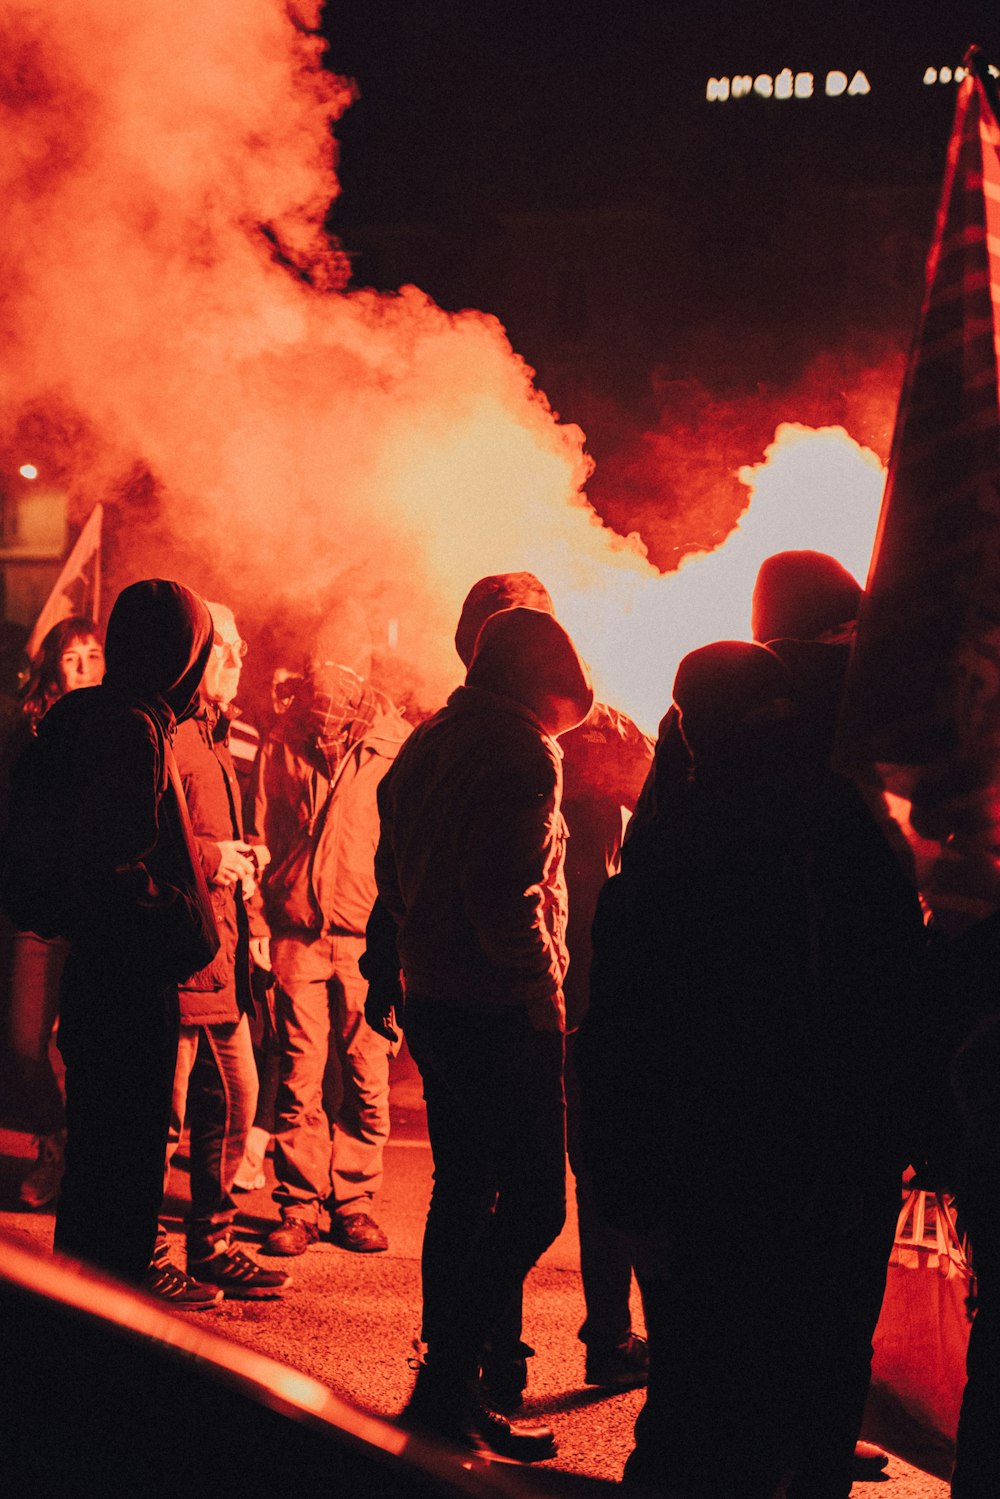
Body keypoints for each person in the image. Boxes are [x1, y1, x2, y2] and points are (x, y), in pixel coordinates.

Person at [577, 639, 926, 1498]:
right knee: (811, 1392)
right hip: (822, 1178)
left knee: (696, 1407)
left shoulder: (665, 854)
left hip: (705, 1183)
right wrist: (883, 1154)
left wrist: (626, 1198)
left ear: (692, 730)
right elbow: (894, 1004)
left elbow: (619, 1039)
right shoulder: (847, 832)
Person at [369, 604, 594, 1461]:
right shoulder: (519, 749)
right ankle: (444, 1383)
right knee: (536, 1200)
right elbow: (505, 891)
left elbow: (395, 872)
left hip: (436, 995)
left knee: (462, 1188)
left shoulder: (432, 737)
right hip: (498, 1005)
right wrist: (543, 993)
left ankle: (449, 1388)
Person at [448, 574, 654, 1407]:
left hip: (576, 980)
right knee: (528, 1179)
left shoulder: (594, 731)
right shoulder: (494, 737)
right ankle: (504, 1355)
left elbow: (660, 812)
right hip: (530, 985)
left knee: (576, 1167)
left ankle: (571, 1344)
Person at [1, 580, 220, 1286]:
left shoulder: (94, 712)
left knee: (101, 1174)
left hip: (102, 979)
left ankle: (84, 1351)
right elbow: (114, 871)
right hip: (126, 985)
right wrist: (185, 921)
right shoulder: (129, 727)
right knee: (119, 1183)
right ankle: (101, 1373)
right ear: (178, 652)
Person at [148, 602, 289, 1306]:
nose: (239, 661)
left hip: (223, 955)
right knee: (163, 1114)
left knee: (233, 1098)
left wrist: (250, 902)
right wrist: (213, 859)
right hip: (180, 954)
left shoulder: (213, 734)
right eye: (226, 648)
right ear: (194, 653)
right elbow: (150, 838)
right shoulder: (166, 733)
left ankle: (211, 1241)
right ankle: (146, 1249)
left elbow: (228, 842)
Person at [254, 636, 410, 1257]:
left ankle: (353, 1201)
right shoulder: (282, 743)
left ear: (367, 669)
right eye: (326, 664)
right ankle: (298, 1203)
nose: (333, 679)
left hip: (367, 938)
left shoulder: (396, 748)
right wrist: (260, 924)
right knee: (298, 1079)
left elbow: (404, 849)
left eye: (347, 664)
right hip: (297, 935)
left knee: (369, 1077)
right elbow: (260, 833)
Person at [1, 617, 105, 1209]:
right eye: (73, 658)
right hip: (38, 915)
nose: (87, 667)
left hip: (93, 916)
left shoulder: (121, 728)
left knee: (89, 1048)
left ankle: (77, 1164)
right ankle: (56, 1141)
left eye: (94, 655)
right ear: (52, 666)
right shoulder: (29, 731)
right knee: (23, 1045)